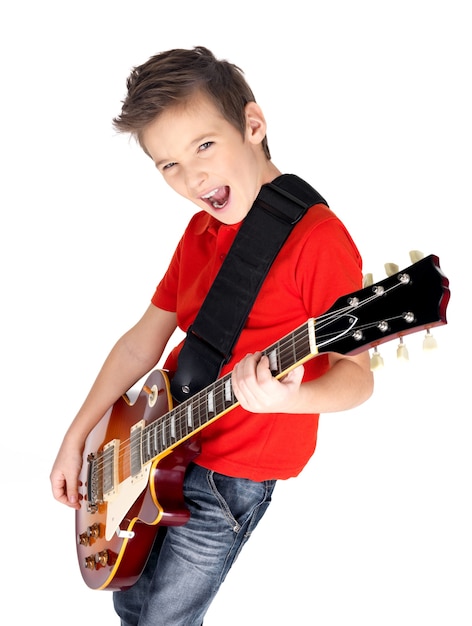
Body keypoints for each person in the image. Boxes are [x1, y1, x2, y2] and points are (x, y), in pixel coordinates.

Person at [50, 46, 374, 625]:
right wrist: (76, 437)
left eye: (204, 146)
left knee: (165, 619)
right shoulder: (200, 233)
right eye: (168, 165)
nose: (192, 176)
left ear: (252, 125)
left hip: (234, 479)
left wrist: (291, 397)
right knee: (131, 602)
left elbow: (356, 379)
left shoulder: (318, 240)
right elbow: (139, 343)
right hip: (157, 445)